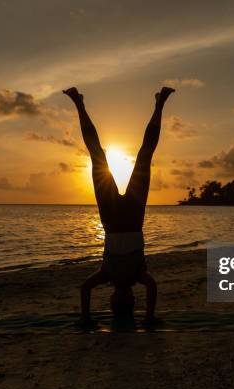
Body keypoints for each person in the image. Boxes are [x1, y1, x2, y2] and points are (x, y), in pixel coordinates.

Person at [63, 86, 175, 324]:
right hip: (134, 217)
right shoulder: (139, 276)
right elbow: (152, 286)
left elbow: (85, 289)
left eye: (117, 304)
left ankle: (79, 104)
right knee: (145, 155)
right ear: (133, 300)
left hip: (111, 219)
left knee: (97, 156)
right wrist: (150, 316)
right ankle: (159, 104)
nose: (122, 300)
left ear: (112, 300)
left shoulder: (106, 275)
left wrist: (85, 317)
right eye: (126, 303)